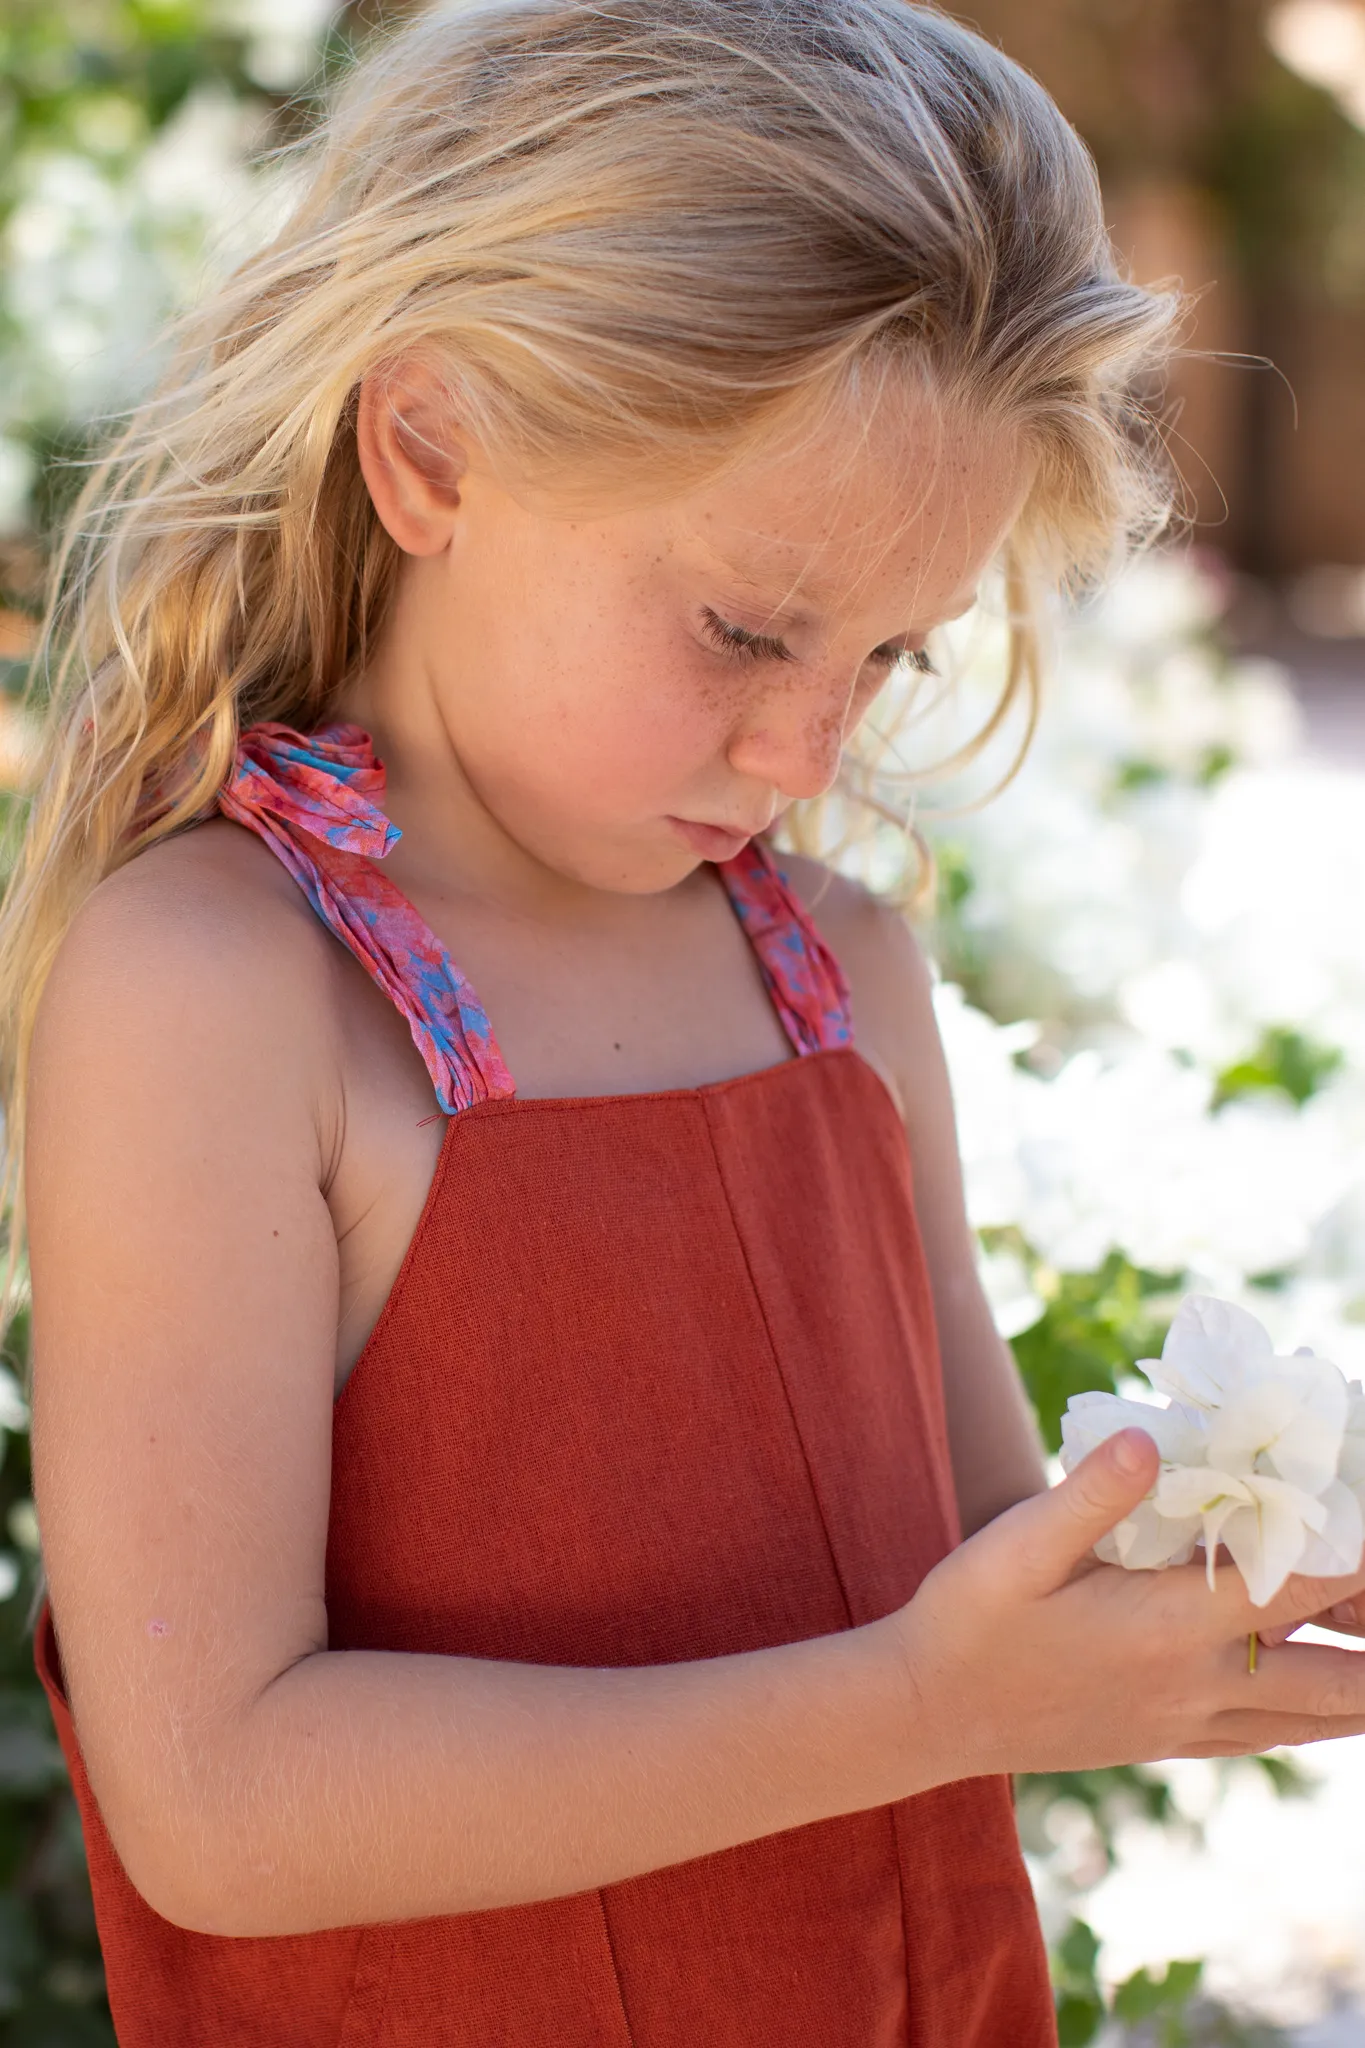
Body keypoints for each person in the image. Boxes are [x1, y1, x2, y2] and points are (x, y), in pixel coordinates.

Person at [7, 2, 1365, 2042]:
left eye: (889, 649)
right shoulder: (220, 993)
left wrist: (1245, 1559)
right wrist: (914, 1705)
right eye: (745, 625)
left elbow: (997, 1567)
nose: (811, 742)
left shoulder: (834, 973)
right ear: (430, 450)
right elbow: (219, 1801)